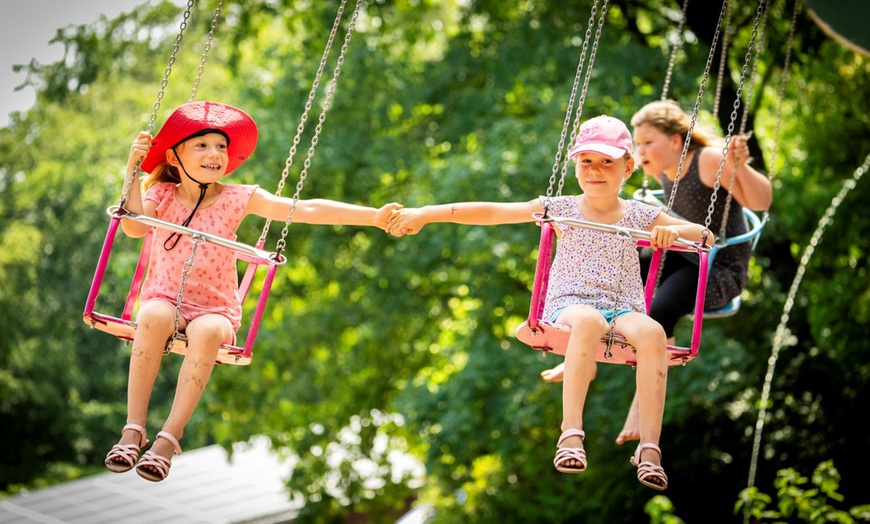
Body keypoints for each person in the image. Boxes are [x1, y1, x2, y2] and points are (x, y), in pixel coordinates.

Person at [387, 115, 712, 490]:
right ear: (575, 166)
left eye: (606, 161)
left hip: (624, 307)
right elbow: (493, 212)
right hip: (570, 304)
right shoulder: (562, 208)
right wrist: (426, 214)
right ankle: (571, 433)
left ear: (627, 168)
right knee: (588, 322)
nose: (595, 170)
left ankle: (650, 449)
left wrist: (673, 231)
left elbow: (703, 236)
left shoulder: (640, 214)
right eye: (586, 161)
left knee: (654, 332)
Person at [103, 101, 403, 482]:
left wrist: (373, 217)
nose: (215, 154)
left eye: (221, 146)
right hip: (165, 299)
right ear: (175, 157)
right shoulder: (161, 194)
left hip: (214, 310)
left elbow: (306, 209)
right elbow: (133, 226)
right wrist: (132, 170)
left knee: (207, 331)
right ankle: (133, 429)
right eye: (202, 146)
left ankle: (167, 439)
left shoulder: (237, 198)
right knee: (152, 315)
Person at [540, 100, 772, 445]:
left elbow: (762, 202)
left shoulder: (709, 160)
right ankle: (583, 347)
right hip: (682, 258)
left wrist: (740, 165)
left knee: (659, 311)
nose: (641, 150)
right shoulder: (664, 171)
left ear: (676, 141)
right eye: (638, 143)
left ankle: (639, 407)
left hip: (716, 268)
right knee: (622, 259)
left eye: (648, 142)